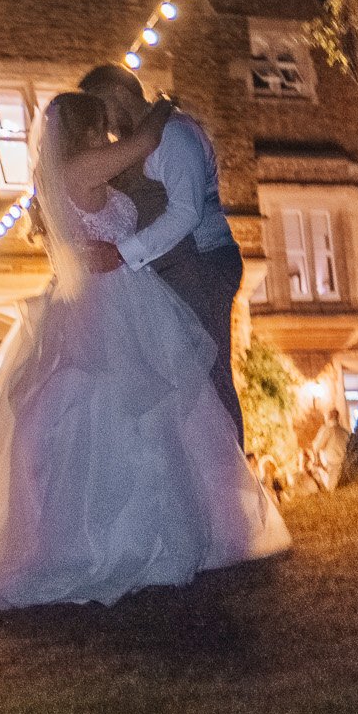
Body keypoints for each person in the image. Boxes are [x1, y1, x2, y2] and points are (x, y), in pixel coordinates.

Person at [0, 91, 288, 612]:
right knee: (124, 412)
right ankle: (111, 544)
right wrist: (160, 106)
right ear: (86, 129)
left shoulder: (67, 172)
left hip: (112, 297)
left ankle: (142, 533)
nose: (109, 133)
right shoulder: (80, 166)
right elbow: (145, 140)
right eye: (101, 124)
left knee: (135, 414)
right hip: (108, 303)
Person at [77, 64, 247, 446]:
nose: (102, 122)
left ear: (119, 93)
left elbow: (187, 213)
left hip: (203, 260)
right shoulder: (144, 139)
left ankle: (232, 480)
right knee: (182, 379)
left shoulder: (175, 134)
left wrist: (123, 253)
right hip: (171, 266)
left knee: (210, 374)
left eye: (101, 107)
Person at [307, 407, 351, 491]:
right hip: (346, 465)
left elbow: (317, 447)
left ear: (328, 417)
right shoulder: (345, 432)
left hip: (333, 465)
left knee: (333, 490)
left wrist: (317, 461)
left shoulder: (328, 430)